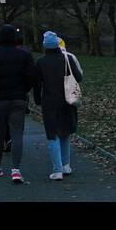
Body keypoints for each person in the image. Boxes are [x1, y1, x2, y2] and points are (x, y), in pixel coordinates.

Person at [0, 23, 37, 184]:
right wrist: (23, 91)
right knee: (17, 133)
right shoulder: (24, 55)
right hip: (18, 98)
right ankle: (16, 169)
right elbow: (31, 77)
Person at [34, 31, 82, 180]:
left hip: (49, 102)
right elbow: (79, 77)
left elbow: (36, 84)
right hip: (68, 101)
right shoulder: (67, 59)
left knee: (52, 135)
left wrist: (37, 100)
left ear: (45, 46)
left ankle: (57, 169)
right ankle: (66, 165)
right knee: (65, 133)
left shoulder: (41, 62)